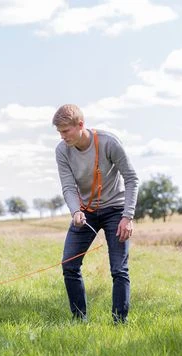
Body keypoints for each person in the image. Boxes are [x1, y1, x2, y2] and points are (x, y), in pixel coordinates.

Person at [52, 104, 139, 323]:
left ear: (80, 125)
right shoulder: (62, 150)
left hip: (116, 210)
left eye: (65, 131)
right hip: (85, 212)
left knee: (119, 269)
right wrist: (75, 211)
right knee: (69, 264)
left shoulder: (109, 142)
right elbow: (68, 187)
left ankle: (119, 322)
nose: (62, 136)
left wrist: (127, 217)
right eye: (59, 132)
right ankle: (79, 320)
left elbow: (131, 178)